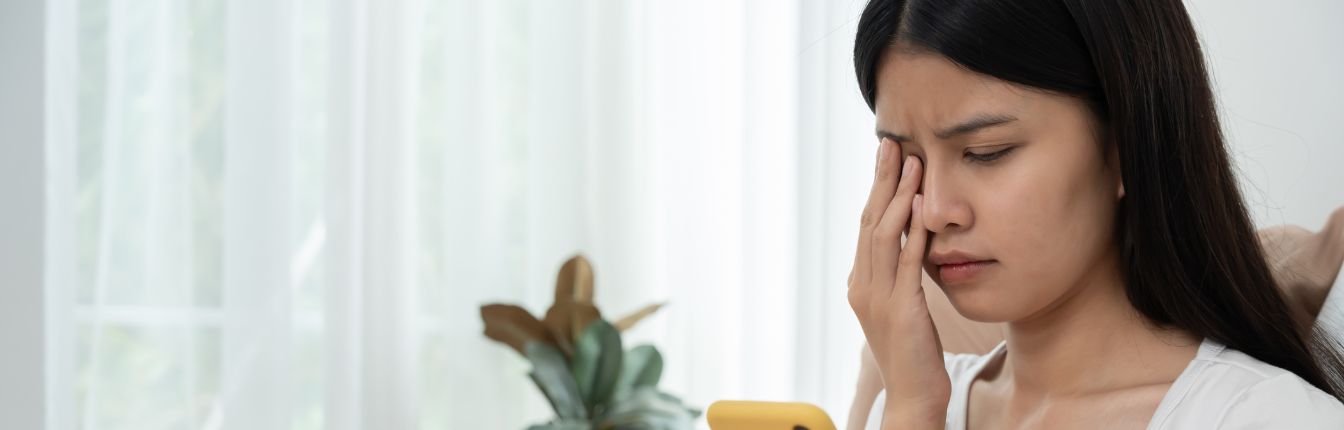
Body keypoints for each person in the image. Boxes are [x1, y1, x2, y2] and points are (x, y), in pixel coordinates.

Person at [843, 0, 1344, 428]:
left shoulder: (1265, 417)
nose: (933, 211)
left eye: (986, 151)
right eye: (907, 162)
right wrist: (913, 410)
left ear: (1126, 146)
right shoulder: (909, 400)